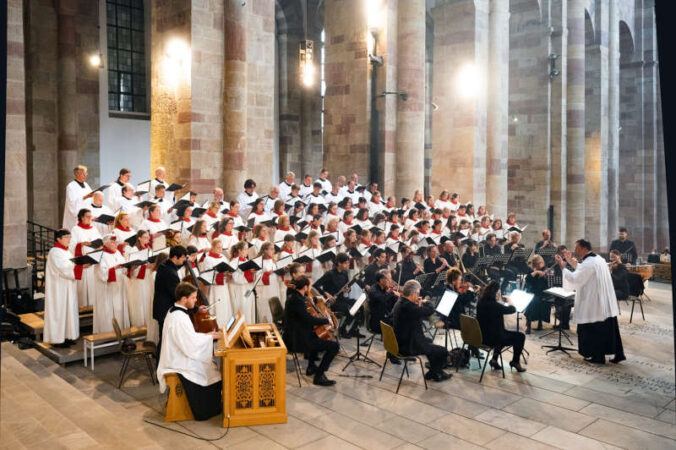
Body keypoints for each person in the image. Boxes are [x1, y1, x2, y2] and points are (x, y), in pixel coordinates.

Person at [157, 282, 222, 421]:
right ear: (184, 299)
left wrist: (207, 336)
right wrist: (208, 337)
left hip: (178, 352)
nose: (195, 301)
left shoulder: (175, 311)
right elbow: (189, 345)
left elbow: (188, 339)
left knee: (211, 366)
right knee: (209, 370)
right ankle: (206, 410)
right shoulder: (179, 318)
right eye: (193, 298)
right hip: (177, 359)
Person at [556, 239, 625, 364]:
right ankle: (618, 354)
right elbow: (583, 269)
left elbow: (576, 279)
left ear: (583, 249)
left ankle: (598, 357)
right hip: (605, 301)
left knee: (595, 330)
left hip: (594, 303)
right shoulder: (598, 259)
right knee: (610, 329)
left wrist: (563, 268)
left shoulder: (589, 263)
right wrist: (571, 262)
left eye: (577, 248)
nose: (575, 250)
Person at [283, 275, 339, 386]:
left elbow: (305, 303)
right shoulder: (297, 301)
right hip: (297, 340)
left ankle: (311, 367)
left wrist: (315, 299)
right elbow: (308, 319)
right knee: (334, 346)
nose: (311, 288)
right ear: (305, 287)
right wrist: (326, 320)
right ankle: (319, 376)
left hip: (296, 334)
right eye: (310, 286)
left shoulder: (295, 296)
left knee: (317, 335)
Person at [392, 280, 451, 382]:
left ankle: (435, 372)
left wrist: (418, 305)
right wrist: (426, 301)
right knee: (443, 351)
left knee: (429, 342)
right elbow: (430, 310)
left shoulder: (400, 302)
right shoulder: (409, 307)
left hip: (400, 341)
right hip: (408, 346)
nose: (418, 295)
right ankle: (434, 372)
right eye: (418, 293)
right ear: (413, 293)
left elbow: (414, 314)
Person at [43, 229, 84, 347]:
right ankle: (57, 339)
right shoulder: (55, 251)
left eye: (70, 237)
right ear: (58, 239)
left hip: (68, 286)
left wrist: (81, 265)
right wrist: (79, 266)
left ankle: (68, 336)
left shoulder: (67, 251)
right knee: (59, 311)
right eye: (66, 237)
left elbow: (71, 266)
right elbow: (64, 268)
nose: (69, 240)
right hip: (58, 288)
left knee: (69, 310)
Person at [476, 281, 526, 372]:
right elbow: (512, 309)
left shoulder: (481, 302)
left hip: (481, 336)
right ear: (496, 292)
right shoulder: (495, 306)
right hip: (490, 339)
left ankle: (494, 359)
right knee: (520, 336)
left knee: (502, 332)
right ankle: (515, 361)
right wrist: (509, 300)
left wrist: (498, 299)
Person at [314, 252, 362, 338]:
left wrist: (348, 289)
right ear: (339, 263)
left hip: (341, 298)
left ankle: (348, 330)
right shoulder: (330, 274)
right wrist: (326, 293)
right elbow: (315, 285)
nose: (348, 264)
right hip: (332, 302)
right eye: (346, 263)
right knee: (349, 310)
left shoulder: (344, 273)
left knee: (359, 306)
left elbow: (346, 287)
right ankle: (342, 330)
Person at [153, 245, 188, 354]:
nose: (184, 260)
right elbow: (175, 294)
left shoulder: (165, 265)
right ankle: (161, 367)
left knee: (164, 340)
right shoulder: (170, 273)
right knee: (164, 342)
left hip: (161, 308)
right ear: (175, 258)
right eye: (182, 257)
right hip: (165, 310)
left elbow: (175, 268)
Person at [94, 234, 129, 333]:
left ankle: (121, 331)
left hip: (119, 286)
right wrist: (115, 268)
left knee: (119, 309)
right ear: (106, 243)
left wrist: (128, 268)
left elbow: (124, 267)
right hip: (107, 289)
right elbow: (102, 273)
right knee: (108, 311)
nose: (115, 244)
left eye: (115, 242)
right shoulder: (100, 255)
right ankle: (107, 333)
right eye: (112, 242)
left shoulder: (117, 252)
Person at [69, 208, 102, 308]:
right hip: (83, 263)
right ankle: (82, 309)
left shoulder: (94, 229)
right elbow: (71, 246)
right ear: (82, 218)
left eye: (90, 217)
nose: (90, 219)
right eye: (88, 217)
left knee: (93, 289)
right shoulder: (75, 229)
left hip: (93, 263)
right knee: (83, 290)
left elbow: (100, 242)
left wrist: (99, 245)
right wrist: (82, 244)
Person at [367, 270, 401, 364]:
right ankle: (393, 354)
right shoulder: (373, 290)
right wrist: (392, 294)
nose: (391, 282)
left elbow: (388, 304)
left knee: (403, 322)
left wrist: (396, 299)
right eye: (389, 279)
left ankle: (398, 351)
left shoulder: (384, 290)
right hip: (376, 323)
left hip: (384, 318)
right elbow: (381, 299)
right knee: (397, 327)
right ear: (381, 280)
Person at [523, 255, 551, 334]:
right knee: (532, 301)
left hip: (543, 292)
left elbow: (550, 282)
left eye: (541, 263)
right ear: (534, 264)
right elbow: (527, 279)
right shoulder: (531, 271)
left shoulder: (546, 270)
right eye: (537, 264)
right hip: (533, 292)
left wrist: (546, 276)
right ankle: (528, 325)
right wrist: (536, 272)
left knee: (540, 301)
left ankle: (540, 323)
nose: (539, 265)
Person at [63, 165, 93, 230]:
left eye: (86, 174)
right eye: (83, 174)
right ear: (77, 174)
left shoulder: (86, 185)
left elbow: (91, 198)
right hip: (75, 217)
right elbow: (71, 202)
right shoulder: (71, 186)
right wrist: (85, 197)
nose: (85, 176)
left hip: (87, 215)